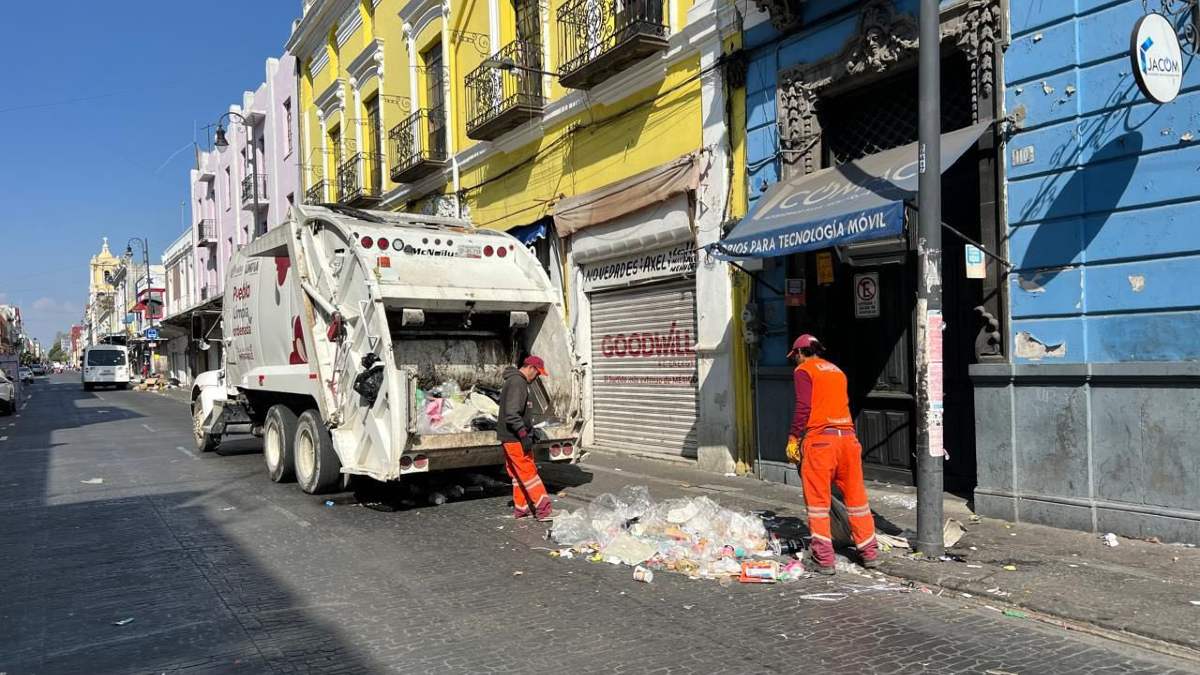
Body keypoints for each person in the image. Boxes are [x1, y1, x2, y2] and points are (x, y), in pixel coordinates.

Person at [785, 334, 878, 575]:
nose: (795, 361)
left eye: (795, 356)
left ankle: (823, 559)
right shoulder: (837, 371)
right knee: (857, 499)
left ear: (800, 353)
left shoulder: (804, 370)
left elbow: (803, 406)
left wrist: (794, 436)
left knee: (818, 502)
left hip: (820, 443)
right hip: (847, 440)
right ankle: (869, 553)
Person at [498, 355, 554, 520]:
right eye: (537, 374)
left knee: (517, 474)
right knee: (529, 472)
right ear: (531, 368)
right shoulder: (518, 382)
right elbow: (512, 414)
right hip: (515, 438)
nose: (537, 377)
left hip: (510, 437)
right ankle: (544, 510)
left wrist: (529, 431)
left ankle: (522, 509)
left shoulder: (516, 381)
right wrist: (524, 435)